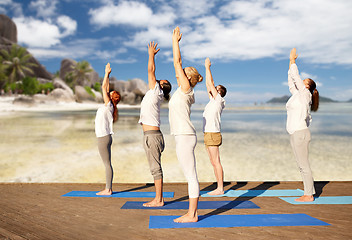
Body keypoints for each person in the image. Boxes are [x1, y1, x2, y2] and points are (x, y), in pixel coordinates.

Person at [169, 26, 203, 223]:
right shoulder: (183, 91)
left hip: (185, 135)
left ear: (187, 77)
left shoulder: (186, 88)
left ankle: (193, 214)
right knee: (189, 174)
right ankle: (192, 213)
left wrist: (175, 42)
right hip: (183, 135)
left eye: (181, 73)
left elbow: (177, 61)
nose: (177, 74)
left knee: (191, 175)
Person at [139, 41, 172, 207]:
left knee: (155, 168)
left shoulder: (156, 91)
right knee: (155, 167)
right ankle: (158, 198)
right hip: (150, 135)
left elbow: (151, 70)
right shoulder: (155, 93)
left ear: (161, 86)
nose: (157, 79)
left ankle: (159, 200)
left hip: (152, 136)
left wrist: (151, 54)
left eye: (161, 80)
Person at [286, 48, 319, 202]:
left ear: (307, 87)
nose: (301, 82)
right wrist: (289, 62)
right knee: (301, 164)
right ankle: (309, 191)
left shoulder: (305, 95)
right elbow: (291, 81)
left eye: (305, 82)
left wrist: (293, 61)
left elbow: (296, 78)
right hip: (296, 133)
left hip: (300, 133)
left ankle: (308, 195)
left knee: (303, 165)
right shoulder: (297, 96)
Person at [95, 63, 121, 195]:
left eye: (109, 93)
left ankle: (108, 189)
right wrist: (107, 75)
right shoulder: (110, 106)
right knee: (107, 163)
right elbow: (106, 87)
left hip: (103, 137)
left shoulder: (108, 105)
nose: (107, 93)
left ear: (111, 98)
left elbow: (103, 87)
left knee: (106, 163)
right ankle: (108, 187)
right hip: (106, 137)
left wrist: (106, 73)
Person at [203, 57, 227, 195]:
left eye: (216, 89)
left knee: (216, 161)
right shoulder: (212, 100)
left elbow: (210, 83)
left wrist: (207, 67)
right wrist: (206, 70)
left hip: (213, 133)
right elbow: (208, 84)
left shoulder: (219, 100)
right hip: (208, 133)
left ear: (219, 92)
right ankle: (219, 187)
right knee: (213, 161)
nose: (213, 89)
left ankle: (220, 188)